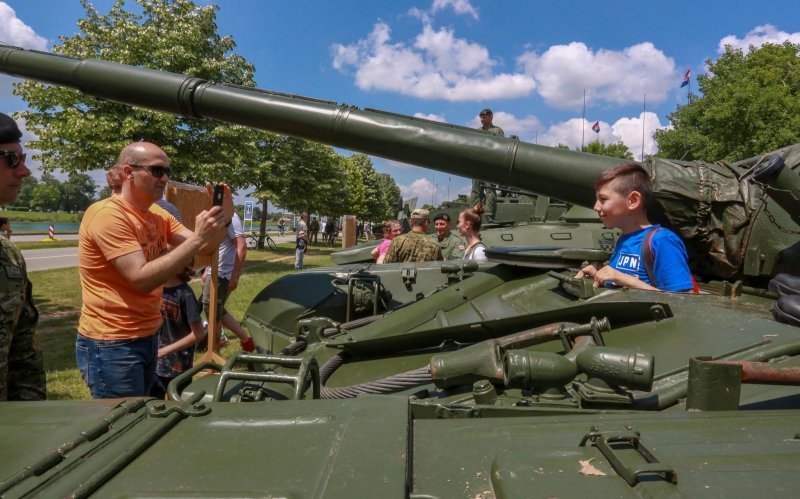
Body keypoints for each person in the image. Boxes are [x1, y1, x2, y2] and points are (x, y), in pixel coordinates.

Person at [76, 141, 231, 399]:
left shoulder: (157, 214)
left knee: (148, 413)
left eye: (168, 171)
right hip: (112, 343)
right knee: (122, 425)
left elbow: (207, 247)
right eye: (157, 171)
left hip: (149, 334)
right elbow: (140, 279)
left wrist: (224, 215)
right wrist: (196, 239)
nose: (165, 178)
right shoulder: (108, 216)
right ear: (128, 172)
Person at [576, 163, 694, 292]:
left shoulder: (662, 240)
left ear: (633, 200)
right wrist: (599, 276)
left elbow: (684, 300)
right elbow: (620, 285)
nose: (596, 207)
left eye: (603, 199)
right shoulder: (624, 239)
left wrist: (626, 279)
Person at [0, 112, 45, 401]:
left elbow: (23, 360)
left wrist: (33, 422)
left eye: (23, 157)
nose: (24, 171)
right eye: (11, 159)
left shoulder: (9, 255)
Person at [202, 212, 255, 353]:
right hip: (214, 270)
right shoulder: (216, 215)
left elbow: (241, 246)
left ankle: (215, 351)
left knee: (211, 308)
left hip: (223, 273)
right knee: (216, 309)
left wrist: (235, 276)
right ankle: (246, 340)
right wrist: (207, 269)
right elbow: (216, 246)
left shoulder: (231, 217)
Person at [150, 266, 204, 399]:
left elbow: (198, 334)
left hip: (178, 367)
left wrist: (164, 351)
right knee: (153, 406)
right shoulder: (156, 289)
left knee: (179, 408)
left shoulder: (186, 295)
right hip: (154, 364)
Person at [468, 108, 504, 222]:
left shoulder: (497, 131)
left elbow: (500, 147)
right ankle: (474, 214)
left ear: (491, 117)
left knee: (490, 190)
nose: (483, 119)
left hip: (490, 165)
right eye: (481, 118)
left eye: (485, 117)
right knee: (475, 191)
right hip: (478, 165)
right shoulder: (478, 131)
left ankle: (489, 215)